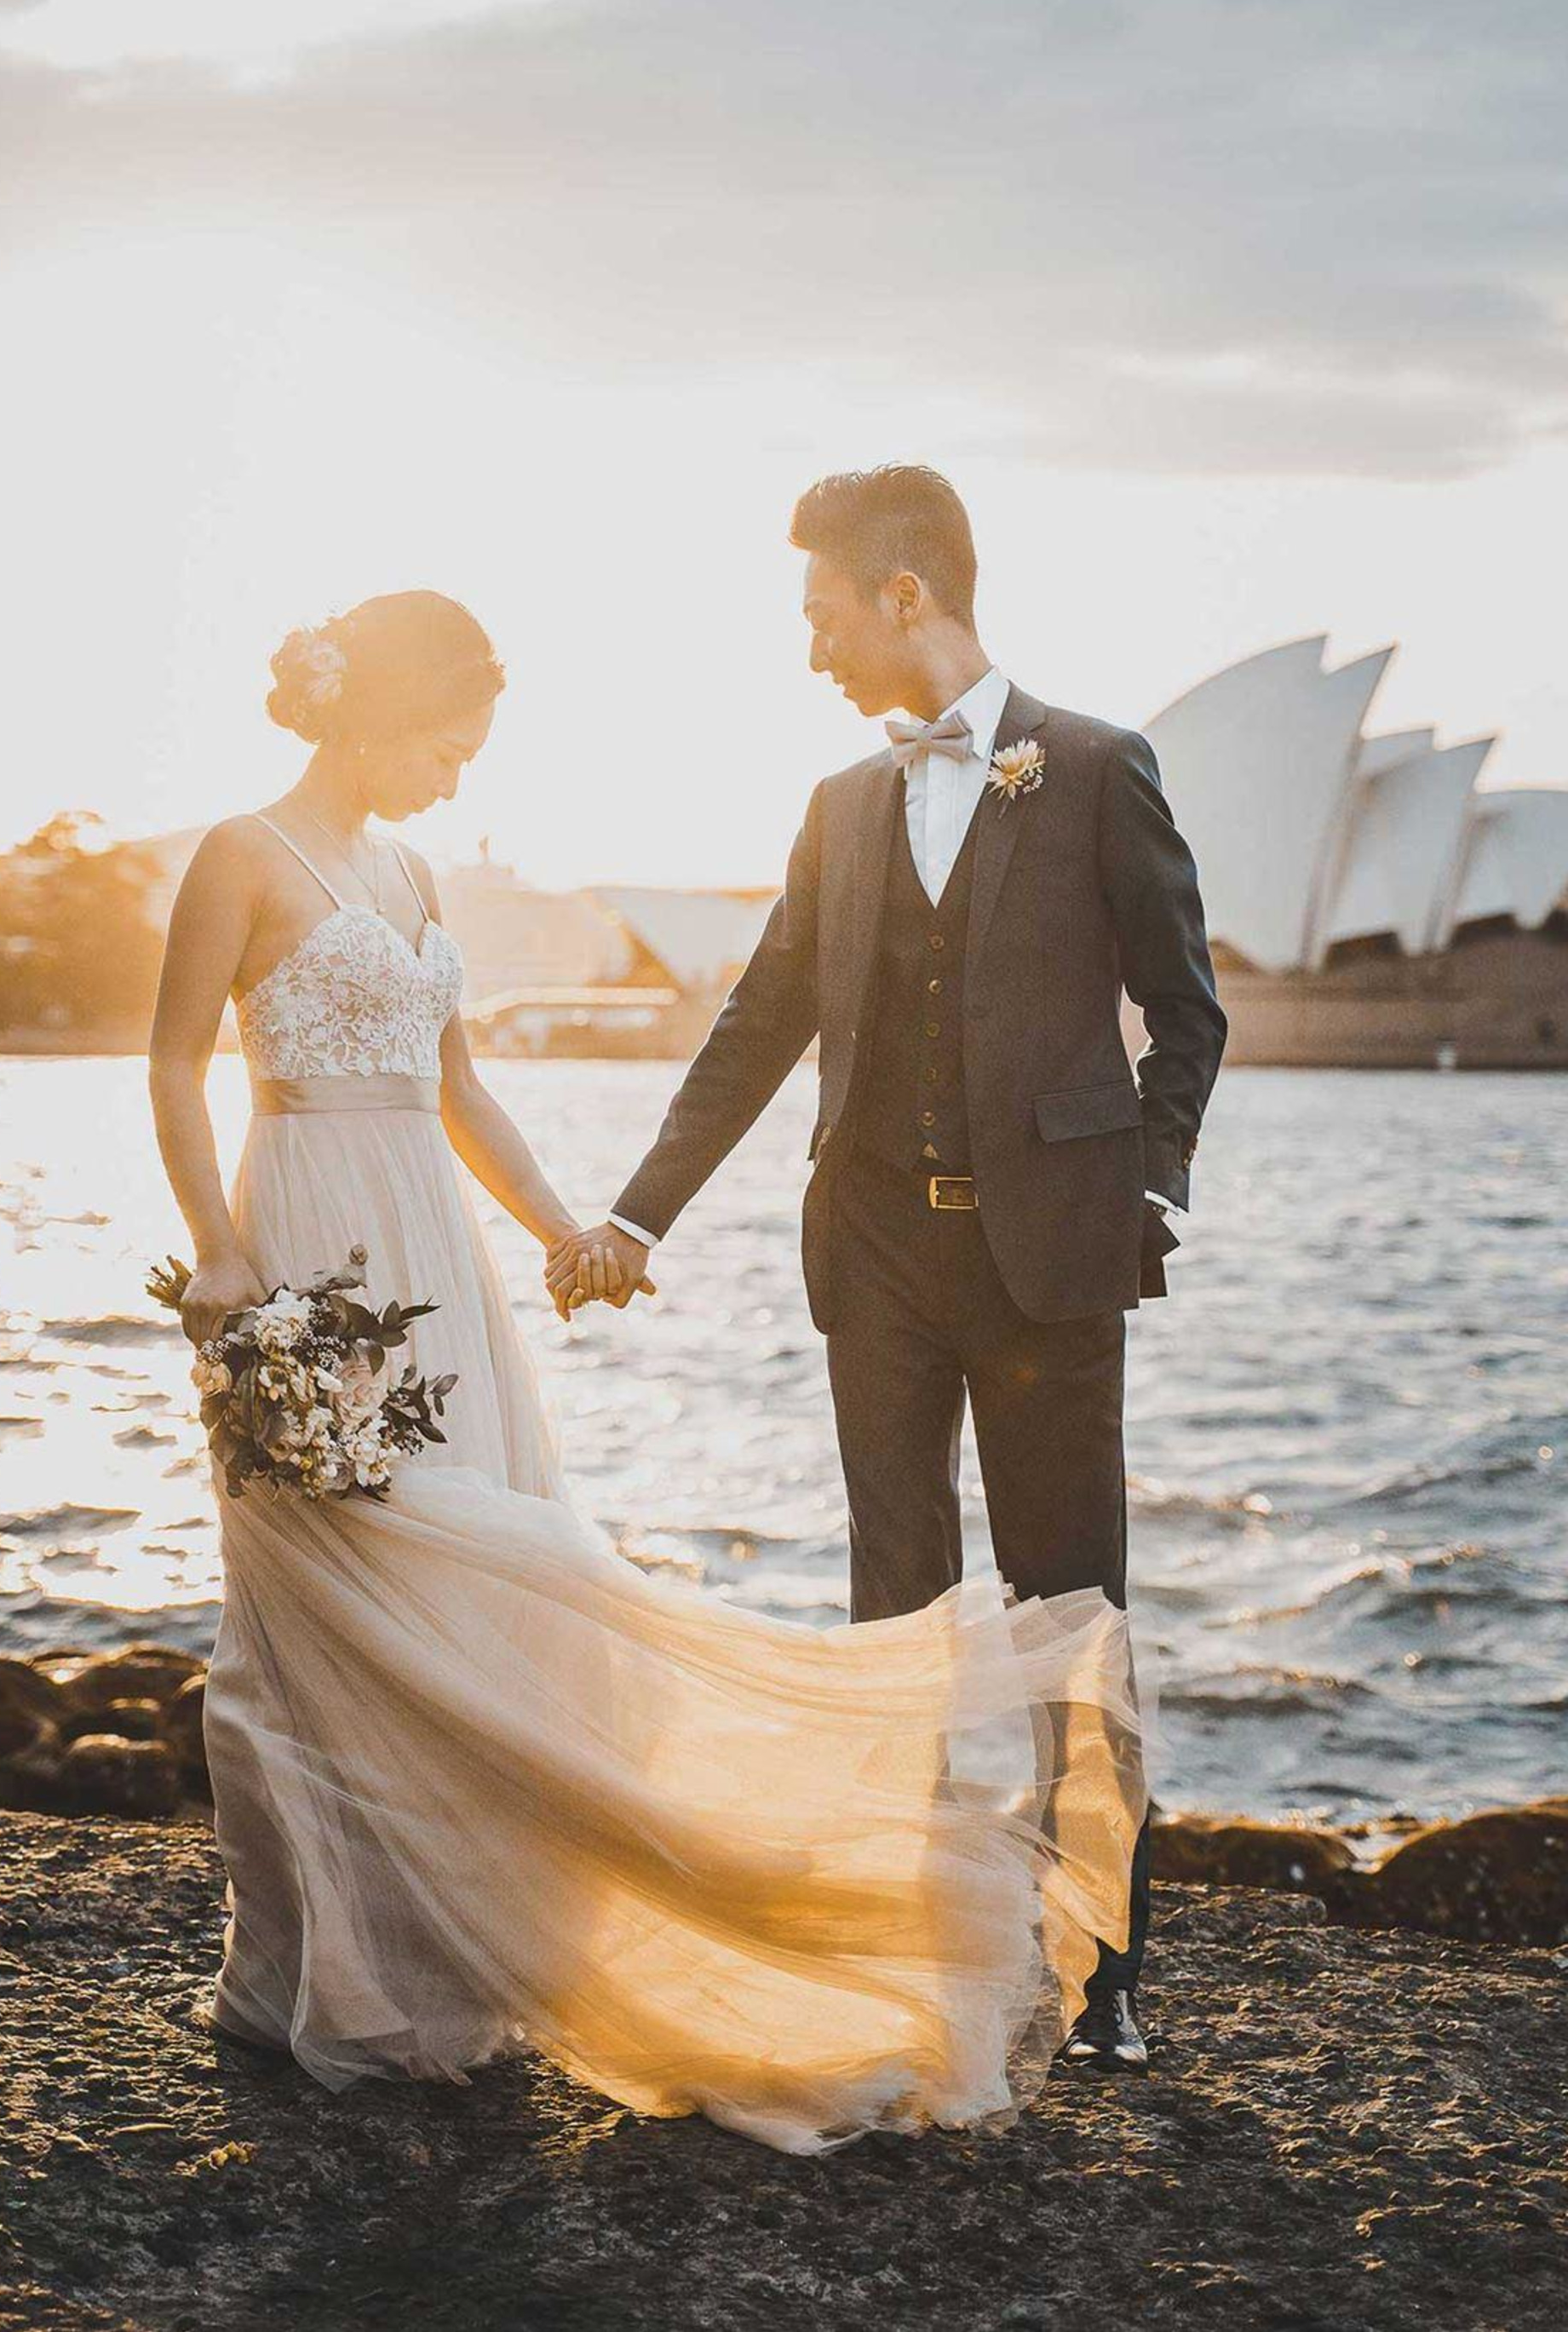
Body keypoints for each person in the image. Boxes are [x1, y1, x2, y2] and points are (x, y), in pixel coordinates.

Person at [148, 582, 1146, 2157]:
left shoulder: (408, 872)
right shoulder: (237, 855)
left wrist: (572, 1230)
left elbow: (460, 1088)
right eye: (448, 745)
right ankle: (304, 1976)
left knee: (473, 1582)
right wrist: (217, 1250)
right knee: (307, 1603)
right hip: (305, 1237)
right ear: (374, 709)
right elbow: (168, 1061)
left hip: (432, 1252)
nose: (457, 781)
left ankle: (443, 1952)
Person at [549, 467, 1226, 2071]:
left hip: (1053, 1258)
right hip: (873, 1256)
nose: (812, 652)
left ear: (904, 594)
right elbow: (760, 1021)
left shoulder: (1099, 767)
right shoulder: (839, 806)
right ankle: (908, 1943)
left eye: (821, 613)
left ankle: (1107, 1968)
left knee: (1077, 1610)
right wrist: (641, 1214)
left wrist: (1153, 1189)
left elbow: (1187, 1010)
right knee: (894, 1611)